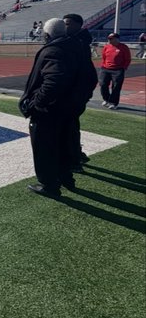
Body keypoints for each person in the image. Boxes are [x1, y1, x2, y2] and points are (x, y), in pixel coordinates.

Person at [18, 17, 88, 197]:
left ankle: (49, 185)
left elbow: (54, 81)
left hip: (50, 112)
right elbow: (91, 79)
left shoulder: (54, 51)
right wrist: (78, 102)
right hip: (69, 110)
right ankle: (66, 178)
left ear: (47, 35)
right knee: (64, 145)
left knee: (44, 149)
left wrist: (36, 104)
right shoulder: (78, 47)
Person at [62, 13, 98, 169]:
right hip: (78, 92)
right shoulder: (79, 41)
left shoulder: (78, 43)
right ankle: (76, 154)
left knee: (68, 127)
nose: (65, 26)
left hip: (75, 94)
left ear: (78, 25)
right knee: (71, 126)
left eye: (68, 23)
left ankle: (74, 158)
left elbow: (82, 72)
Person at [99, 33, 131, 109]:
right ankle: (106, 99)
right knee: (103, 84)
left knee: (116, 87)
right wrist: (103, 65)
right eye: (109, 39)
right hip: (105, 68)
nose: (109, 40)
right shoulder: (106, 47)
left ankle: (113, 102)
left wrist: (124, 67)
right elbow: (104, 57)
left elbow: (127, 59)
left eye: (111, 39)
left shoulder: (123, 47)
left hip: (118, 70)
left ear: (116, 39)